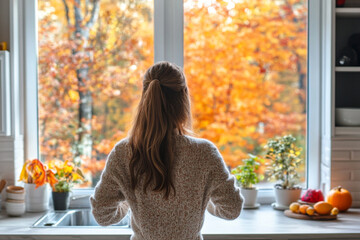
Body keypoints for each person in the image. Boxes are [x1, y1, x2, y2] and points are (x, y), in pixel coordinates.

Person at [90, 61, 243, 240]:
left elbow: (102, 215)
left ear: (145, 99)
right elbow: (231, 210)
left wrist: (130, 203)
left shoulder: (124, 152)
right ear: (183, 100)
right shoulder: (204, 153)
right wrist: (204, 199)